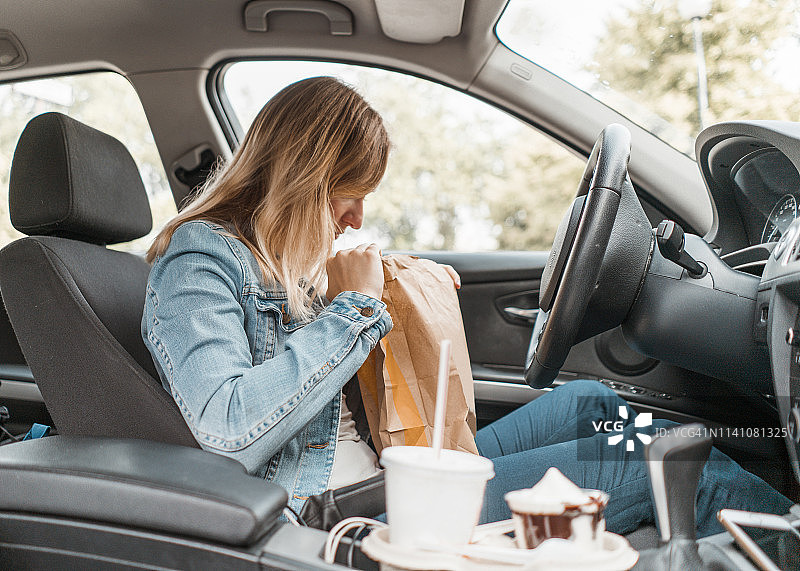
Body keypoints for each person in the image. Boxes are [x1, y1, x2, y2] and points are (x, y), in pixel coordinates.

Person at [142, 76, 791, 537]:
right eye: (351, 191)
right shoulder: (201, 260)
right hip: (339, 513)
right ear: (305, 176)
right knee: (655, 466)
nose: (358, 216)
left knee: (592, 404)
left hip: (387, 473)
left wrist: (406, 292)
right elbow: (229, 428)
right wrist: (355, 311)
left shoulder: (285, 264)